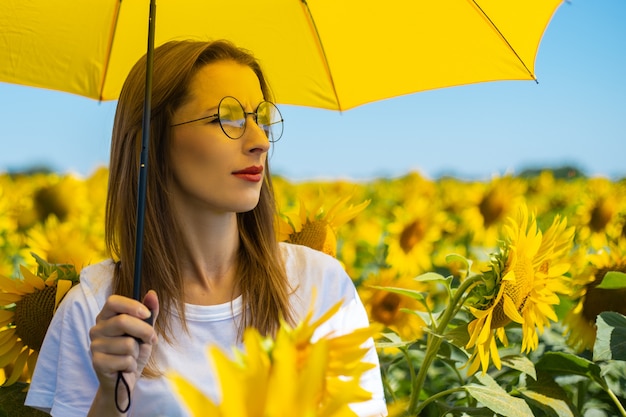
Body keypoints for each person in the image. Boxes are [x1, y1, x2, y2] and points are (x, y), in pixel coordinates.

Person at [25, 39, 388, 417]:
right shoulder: (97, 310)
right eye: (225, 118)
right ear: (153, 140)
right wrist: (108, 397)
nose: (260, 141)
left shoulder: (321, 286)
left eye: (261, 118)